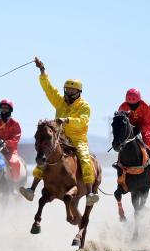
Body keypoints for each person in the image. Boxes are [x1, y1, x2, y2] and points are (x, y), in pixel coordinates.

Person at [19, 57, 98, 205]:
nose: (69, 92)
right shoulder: (60, 101)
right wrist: (42, 70)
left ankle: (90, 193)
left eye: (73, 90)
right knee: (45, 155)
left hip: (77, 139)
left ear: (79, 92)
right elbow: (49, 89)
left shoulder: (84, 106)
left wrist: (66, 120)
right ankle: (32, 189)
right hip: (59, 137)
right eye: (67, 89)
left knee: (85, 160)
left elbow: (82, 121)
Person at [118, 88, 150, 159]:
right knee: (122, 140)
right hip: (130, 129)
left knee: (147, 138)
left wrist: (140, 129)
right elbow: (120, 123)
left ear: (139, 101)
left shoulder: (147, 107)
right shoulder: (123, 107)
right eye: (129, 105)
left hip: (144, 128)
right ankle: (119, 160)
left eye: (135, 105)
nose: (132, 107)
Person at [0, 99, 23, 181]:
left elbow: (16, 138)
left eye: (6, 108)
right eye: (2, 108)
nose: (4, 110)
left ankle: (15, 183)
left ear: (10, 110)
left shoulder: (15, 123)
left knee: (14, 163)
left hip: (10, 150)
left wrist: (6, 143)